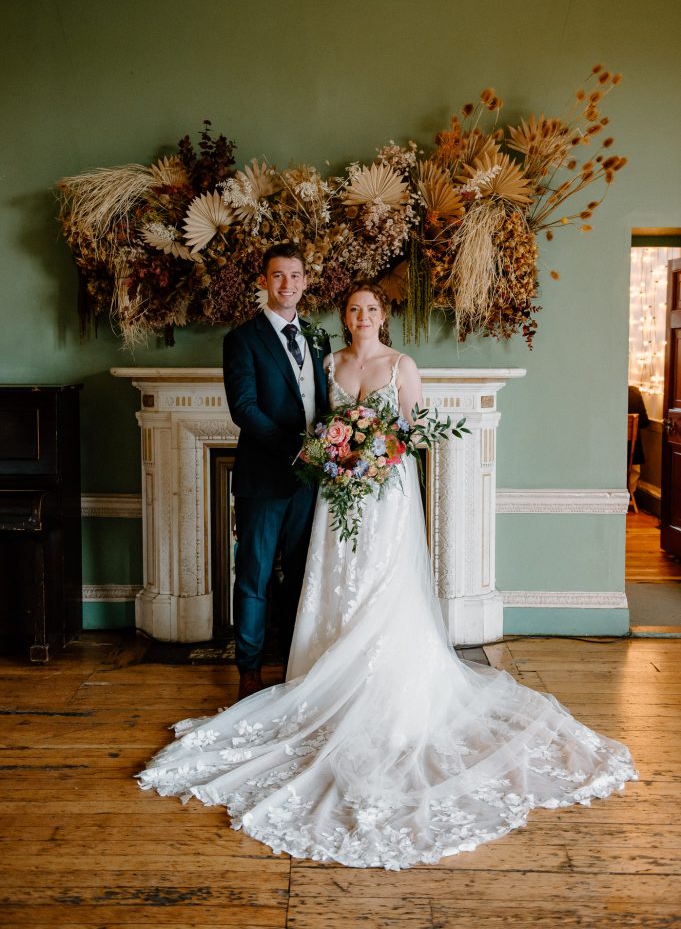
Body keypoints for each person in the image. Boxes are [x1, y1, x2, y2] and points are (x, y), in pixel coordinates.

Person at [139, 282, 637, 870]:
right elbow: (320, 421)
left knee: (381, 582)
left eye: (371, 309)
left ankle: (387, 684)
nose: (362, 316)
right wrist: (339, 454)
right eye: (353, 309)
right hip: (337, 492)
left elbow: (415, 430)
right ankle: (322, 674)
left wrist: (376, 452)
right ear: (344, 318)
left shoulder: (402, 364)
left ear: (383, 316)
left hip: (387, 492)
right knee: (335, 581)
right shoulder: (329, 361)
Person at [221, 244, 330, 700]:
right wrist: (297, 449)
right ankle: (248, 669)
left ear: (305, 282)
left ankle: (294, 662)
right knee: (255, 574)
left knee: (305, 573)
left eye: (295, 276)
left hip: (310, 482)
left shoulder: (320, 338)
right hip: (264, 478)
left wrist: (329, 446)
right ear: (265, 282)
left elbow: (325, 403)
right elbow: (244, 409)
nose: (287, 284)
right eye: (278, 276)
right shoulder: (242, 340)